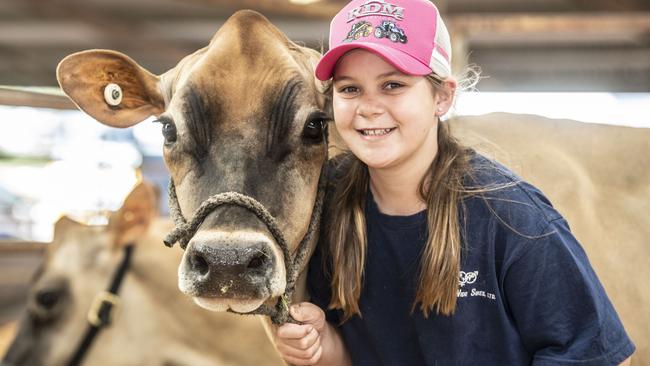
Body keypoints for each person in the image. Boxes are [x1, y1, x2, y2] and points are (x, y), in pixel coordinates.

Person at [273, 0, 636, 365]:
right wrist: (320, 345)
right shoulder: (330, 203)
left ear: (442, 96)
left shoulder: (512, 218)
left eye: (393, 85)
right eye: (350, 89)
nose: (369, 107)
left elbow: (601, 356)